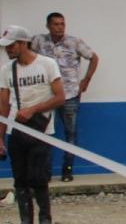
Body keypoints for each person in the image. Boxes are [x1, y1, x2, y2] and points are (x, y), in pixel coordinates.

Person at [0, 25, 65, 224]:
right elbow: (3, 106)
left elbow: (59, 97)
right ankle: (26, 223)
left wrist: (33, 109)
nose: (7, 50)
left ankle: (45, 220)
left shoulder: (47, 65)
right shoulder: (6, 70)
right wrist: (0, 137)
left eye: (11, 46)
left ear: (23, 43)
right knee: (20, 179)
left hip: (41, 129)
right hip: (16, 130)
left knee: (39, 177)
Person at [31, 12, 99, 182]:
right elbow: (26, 54)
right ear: (48, 26)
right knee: (44, 133)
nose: (60, 27)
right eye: (56, 24)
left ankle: (67, 170)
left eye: (62, 24)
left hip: (70, 95)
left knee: (71, 133)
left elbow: (94, 57)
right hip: (47, 96)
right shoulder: (39, 41)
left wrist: (86, 80)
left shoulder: (74, 42)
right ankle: (44, 172)